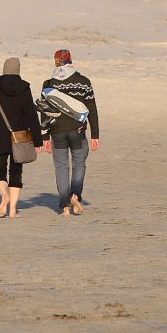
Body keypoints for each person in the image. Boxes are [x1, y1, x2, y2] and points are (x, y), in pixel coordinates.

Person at [0, 57, 44, 218]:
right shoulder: (25, 89)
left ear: (4, 69)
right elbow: (32, 116)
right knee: (16, 172)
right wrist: (38, 140)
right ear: (18, 70)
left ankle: (4, 195)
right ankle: (12, 210)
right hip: (20, 136)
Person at [42, 49, 100, 218]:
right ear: (70, 60)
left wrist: (44, 136)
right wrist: (95, 134)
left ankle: (65, 207)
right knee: (79, 164)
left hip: (57, 132)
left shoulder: (48, 83)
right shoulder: (83, 81)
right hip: (78, 131)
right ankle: (75, 195)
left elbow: (44, 111)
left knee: (61, 167)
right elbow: (92, 109)